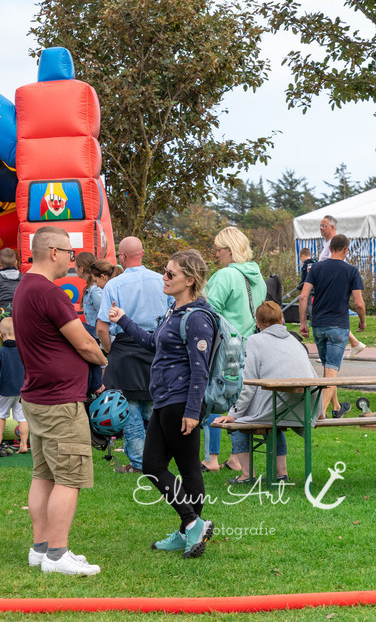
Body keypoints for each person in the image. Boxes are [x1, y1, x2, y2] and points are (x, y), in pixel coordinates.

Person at [108, 249, 215, 559]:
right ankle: (190, 527)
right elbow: (154, 344)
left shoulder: (197, 318)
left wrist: (193, 412)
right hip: (166, 399)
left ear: (190, 281)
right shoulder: (175, 310)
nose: (164, 278)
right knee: (155, 465)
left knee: (182, 467)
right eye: (165, 272)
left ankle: (191, 526)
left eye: (170, 274)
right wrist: (124, 320)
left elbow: (200, 369)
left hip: (181, 402)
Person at [13, 225, 106, 575]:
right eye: (68, 252)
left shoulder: (25, 287)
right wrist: (102, 359)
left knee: (44, 474)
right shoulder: (51, 293)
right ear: (53, 252)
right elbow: (83, 342)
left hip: (38, 395)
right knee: (69, 476)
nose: (71, 259)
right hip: (60, 401)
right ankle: (57, 555)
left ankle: (41, 549)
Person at [214, 301, 318, 484]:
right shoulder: (294, 340)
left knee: (238, 423)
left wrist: (233, 414)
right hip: (304, 408)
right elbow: (313, 375)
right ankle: (281, 473)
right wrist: (319, 410)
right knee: (275, 418)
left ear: (258, 323)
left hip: (279, 406)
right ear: (281, 319)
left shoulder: (254, 341)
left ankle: (247, 475)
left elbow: (248, 383)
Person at [96, 237, 172, 474]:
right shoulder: (163, 281)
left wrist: (109, 350)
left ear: (122, 257)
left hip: (126, 349)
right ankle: (157, 461)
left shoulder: (114, 285)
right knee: (153, 408)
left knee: (130, 411)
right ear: (143, 253)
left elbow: (101, 327)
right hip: (157, 347)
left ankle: (140, 464)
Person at [200, 227, 266, 472]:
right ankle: (237, 457)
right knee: (240, 404)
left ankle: (211, 458)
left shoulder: (226, 276)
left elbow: (209, 311)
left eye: (218, 249)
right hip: (250, 345)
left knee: (215, 401)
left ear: (229, 250)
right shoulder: (257, 276)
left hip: (225, 348)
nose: (216, 254)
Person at [299, 233, 367, 419]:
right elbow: (359, 303)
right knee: (332, 370)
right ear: (346, 250)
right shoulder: (351, 271)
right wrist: (362, 320)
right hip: (338, 325)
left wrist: (303, 322)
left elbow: (304, 296)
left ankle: (336, 407)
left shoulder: (316, 268)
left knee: (329, 370)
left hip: (319, 325)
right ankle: (318, 413)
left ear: (329, 248)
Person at [316, 215, 366, 357]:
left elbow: (334, 264)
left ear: (332, 227)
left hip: (331, 284)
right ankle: (354, 344)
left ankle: (332, 352)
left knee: (330, 315)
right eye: (320, 225)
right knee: (333, 316)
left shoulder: (335, 244)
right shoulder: (328, 243)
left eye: (324, 225)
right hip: (330, 284)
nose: (321, 228)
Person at [0, 318, 28, 453]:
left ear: (0, 335)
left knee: (1, 414)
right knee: (22, 418)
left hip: (6, 390)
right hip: (22, 390)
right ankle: (23, 445)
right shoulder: (24, 351)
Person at [0, 247, 21, 353]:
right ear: (16, 262)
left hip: (2, 310)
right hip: (18, 309)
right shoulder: (22, 277)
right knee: (20, 333)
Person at [75, 252, 98, 328]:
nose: (74, 269)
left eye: (75, 266)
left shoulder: (95, 291)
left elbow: (106, 317)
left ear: (81, 269)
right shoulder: (90, 289)